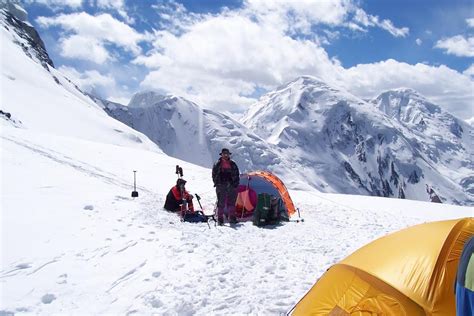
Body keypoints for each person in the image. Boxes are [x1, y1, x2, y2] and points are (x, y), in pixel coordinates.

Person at [212, 148, 240, 225]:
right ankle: (220, 219)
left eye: (227, 154)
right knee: (221, 202)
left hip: (232, 185)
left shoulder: (233, 164)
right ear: (222, 154)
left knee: (232, 202)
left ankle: (232, 218)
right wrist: (217, 183)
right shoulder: (217, 163)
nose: (226, 155)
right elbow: (214, 175)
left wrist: (235, 184)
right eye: (224, 153)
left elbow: (237, 174)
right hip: (221, 185)